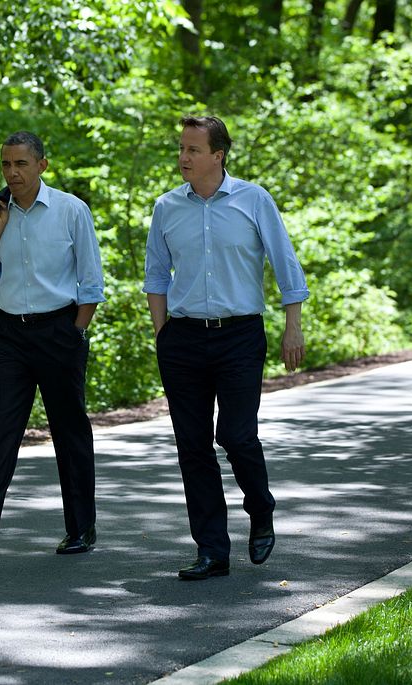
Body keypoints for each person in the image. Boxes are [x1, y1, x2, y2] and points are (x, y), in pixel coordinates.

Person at [143, 115, 309, 581]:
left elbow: (285, 264)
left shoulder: (254, 200)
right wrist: (163, 333)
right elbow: (156, 276)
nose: (183, 158)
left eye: (192, 150)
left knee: (236, 435)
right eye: (180, 149)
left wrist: (291, 326)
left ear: (218, 155)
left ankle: (260, 508)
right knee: (192, 447)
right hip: (183, 338)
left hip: (239, 335)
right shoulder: (166, 208)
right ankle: (212, 550)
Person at [0, 131, 106, 569]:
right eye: (5, 165)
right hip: (11, 338)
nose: (12, 173)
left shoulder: (71, 211)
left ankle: (79, 528)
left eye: (20, 164)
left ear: (42, 165)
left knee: (70, 430)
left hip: (60, 332)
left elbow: (91, 281)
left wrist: (76, 332)